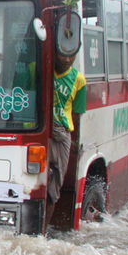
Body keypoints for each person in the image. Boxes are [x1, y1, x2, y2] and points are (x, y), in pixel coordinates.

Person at [45, 49, 87, 231]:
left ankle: (43, 231)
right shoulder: (36, 69)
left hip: (61, 134)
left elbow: (76, 114)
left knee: (53, 189)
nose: (67, 59)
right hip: (36, 130)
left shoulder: (79, 80)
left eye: (72, 56)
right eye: (63, 54)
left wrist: (75, 143)